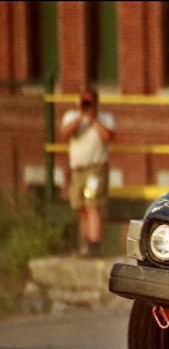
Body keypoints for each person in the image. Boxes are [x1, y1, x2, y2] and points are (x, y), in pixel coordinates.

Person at [59, 88, 116, 257]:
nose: (86, 105)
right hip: (77, 169)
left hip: (95, 169)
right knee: (80, 206)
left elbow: (108, 137)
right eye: (84, 101)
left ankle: (94, 244)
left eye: (89, 102)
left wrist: (93, 120)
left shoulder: (105, 119)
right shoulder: (72, 117)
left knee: (92, 203)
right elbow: (64, 134)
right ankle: (85, 244)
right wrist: (80, 116)